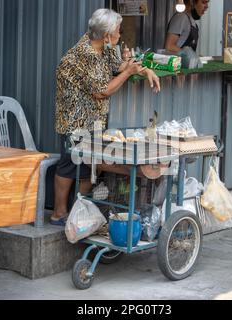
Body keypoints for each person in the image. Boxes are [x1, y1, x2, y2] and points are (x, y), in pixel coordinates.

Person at [52, 9, 161, 226]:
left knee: (88, 165)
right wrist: (128, 73)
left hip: (93, 119)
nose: (121, 35)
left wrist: (143, 70)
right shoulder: (85, 55)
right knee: (69, 163)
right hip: (75, 119)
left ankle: (78, 212)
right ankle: (59, 213)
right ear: (106, 35)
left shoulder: (105, 47)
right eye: (118, 31)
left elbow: (119, 66)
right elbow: (102, 90)